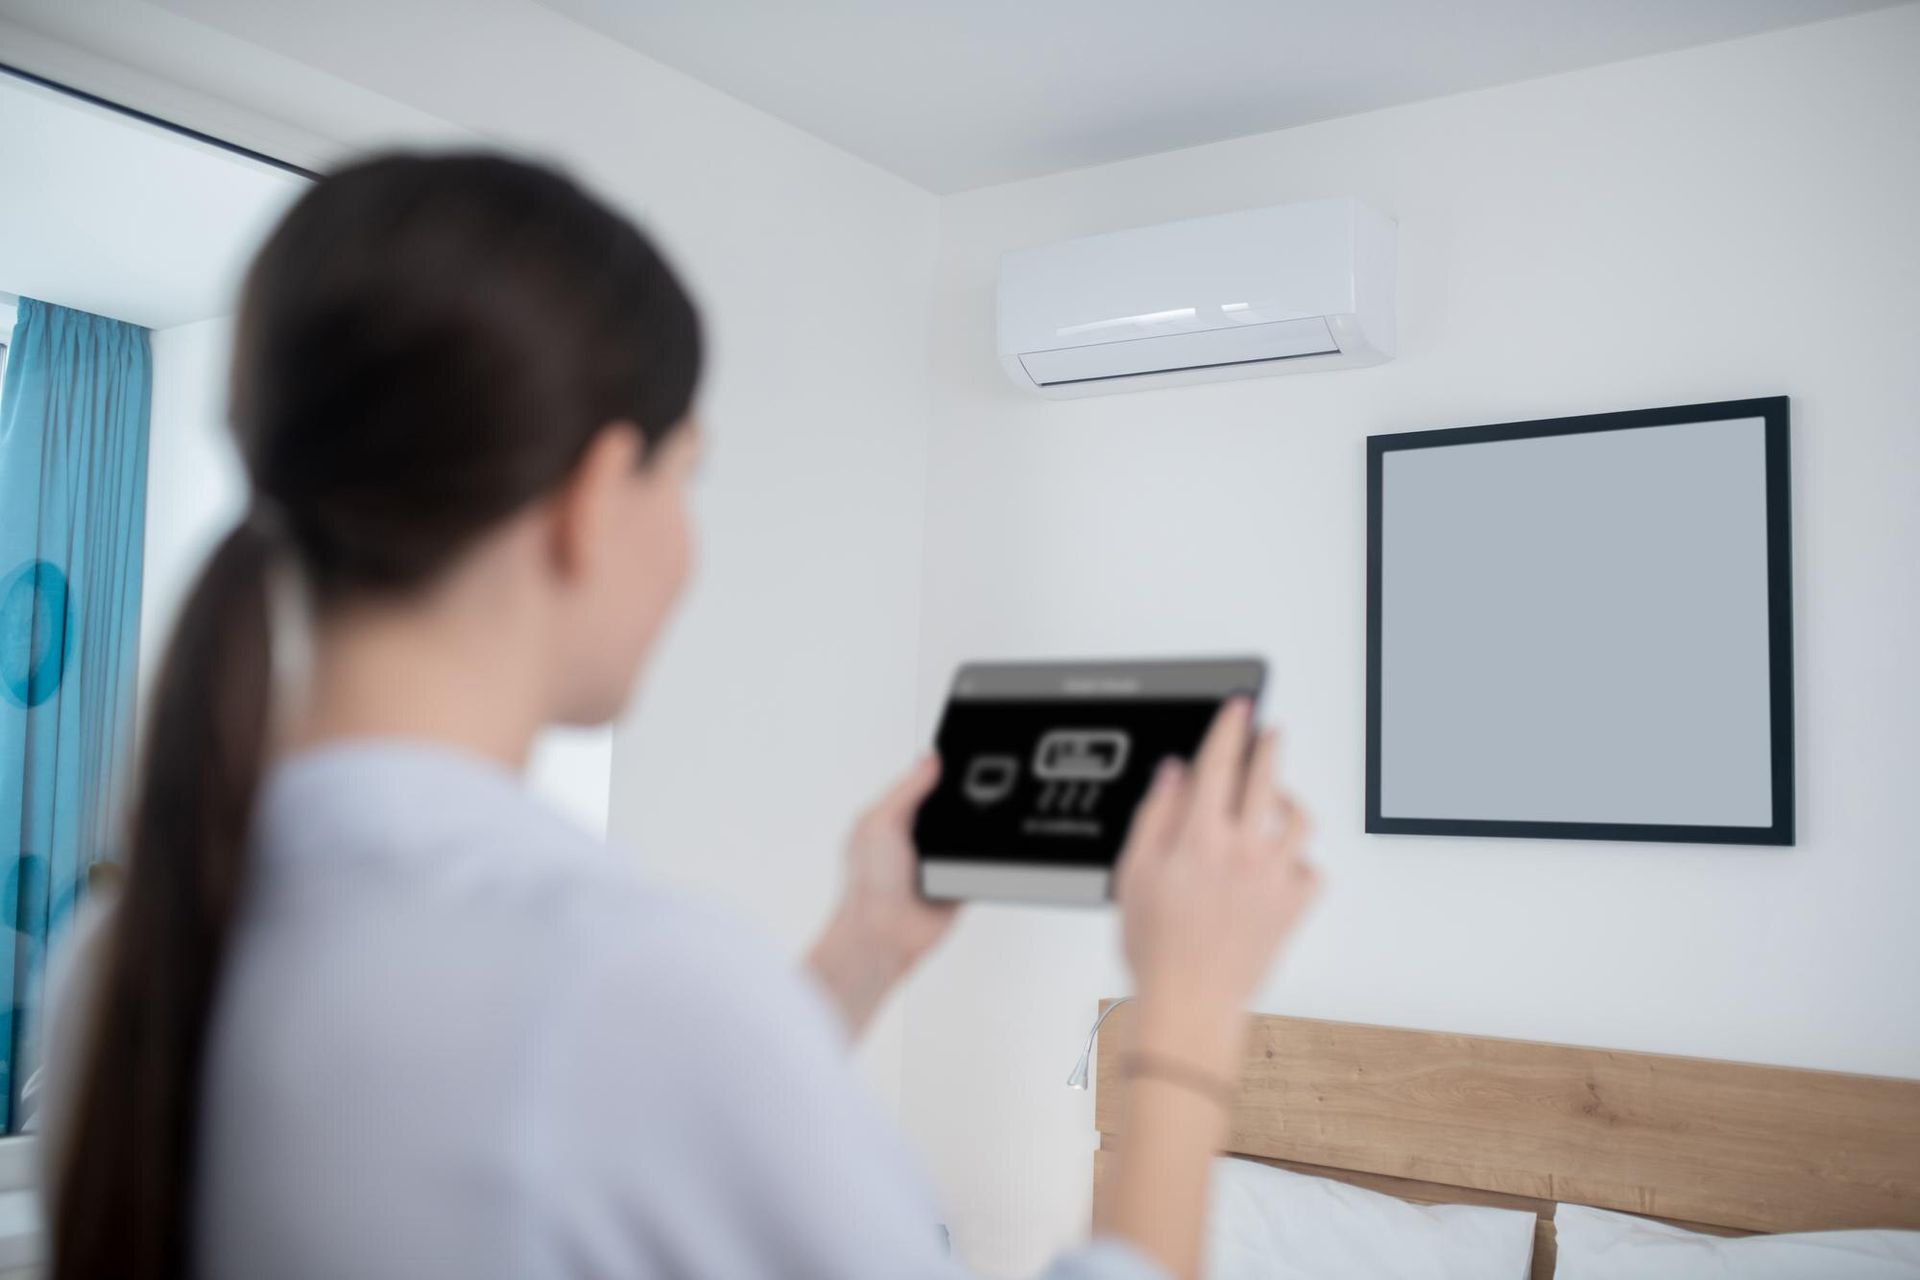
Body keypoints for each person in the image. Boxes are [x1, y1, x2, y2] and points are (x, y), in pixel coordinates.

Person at [40, 153, 1319, 1280]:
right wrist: (1187, 1024)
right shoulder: (612, 981)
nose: (692, 541)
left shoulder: (119, 961)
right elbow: (604, 1073)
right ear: (595, 496)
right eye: (687, 476)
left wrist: (861, 947)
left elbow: (594, 1150)